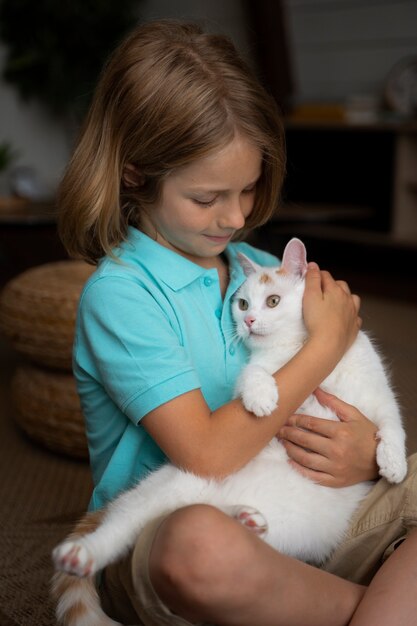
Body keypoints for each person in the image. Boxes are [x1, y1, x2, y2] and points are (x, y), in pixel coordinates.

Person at [58, 19, 417, 626]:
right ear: (134, 173)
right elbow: (206, 454)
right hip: (182, 519)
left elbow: (351, 393)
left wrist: (366, 451)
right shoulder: (120, 296)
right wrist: (324, 343)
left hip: (311, 507)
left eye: (248, 189)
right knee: (200, 546)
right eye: (207, 198)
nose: (235, 216)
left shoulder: (265, 272)